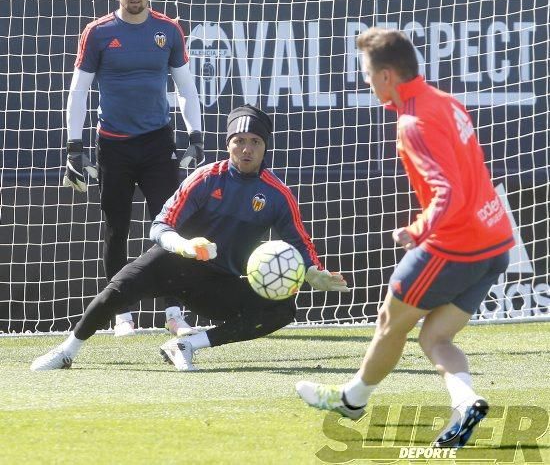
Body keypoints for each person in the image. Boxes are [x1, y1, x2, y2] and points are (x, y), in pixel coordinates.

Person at [296, 27, 514, 449]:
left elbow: (448, 193)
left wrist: (415, 230)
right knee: (434, 337)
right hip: (495, 242)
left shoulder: (413, 122)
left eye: (366, 72)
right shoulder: (445, 101)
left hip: (455, 245)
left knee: (388, 323)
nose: (364, 80)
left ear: (387, 76)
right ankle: (466, 402)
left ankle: (352, 401)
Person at [32, 104, 349, 372]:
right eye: (239, 140)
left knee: (282, 310)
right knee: (116, 290)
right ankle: (67, 352)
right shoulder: (206, 178)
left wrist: (312, 272)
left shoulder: (277, 195)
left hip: (216, 283)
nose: (247, 149)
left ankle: (187, 344)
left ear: (265, 146)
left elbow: (300, 242)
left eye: (255, 141)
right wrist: (184, 245)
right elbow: (159, 226)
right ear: (228, 144)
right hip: (171, 263)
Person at [63, 0, 204, 337]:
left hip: (158, 145)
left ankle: (174, 312)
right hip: (114, 147)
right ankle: (120, 315)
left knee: (170, 229)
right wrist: (74, 147)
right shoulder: (97, 33)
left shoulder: (168, 30)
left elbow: (185, 88)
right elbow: (78, 92)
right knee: (116, 230)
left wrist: (196, 136)